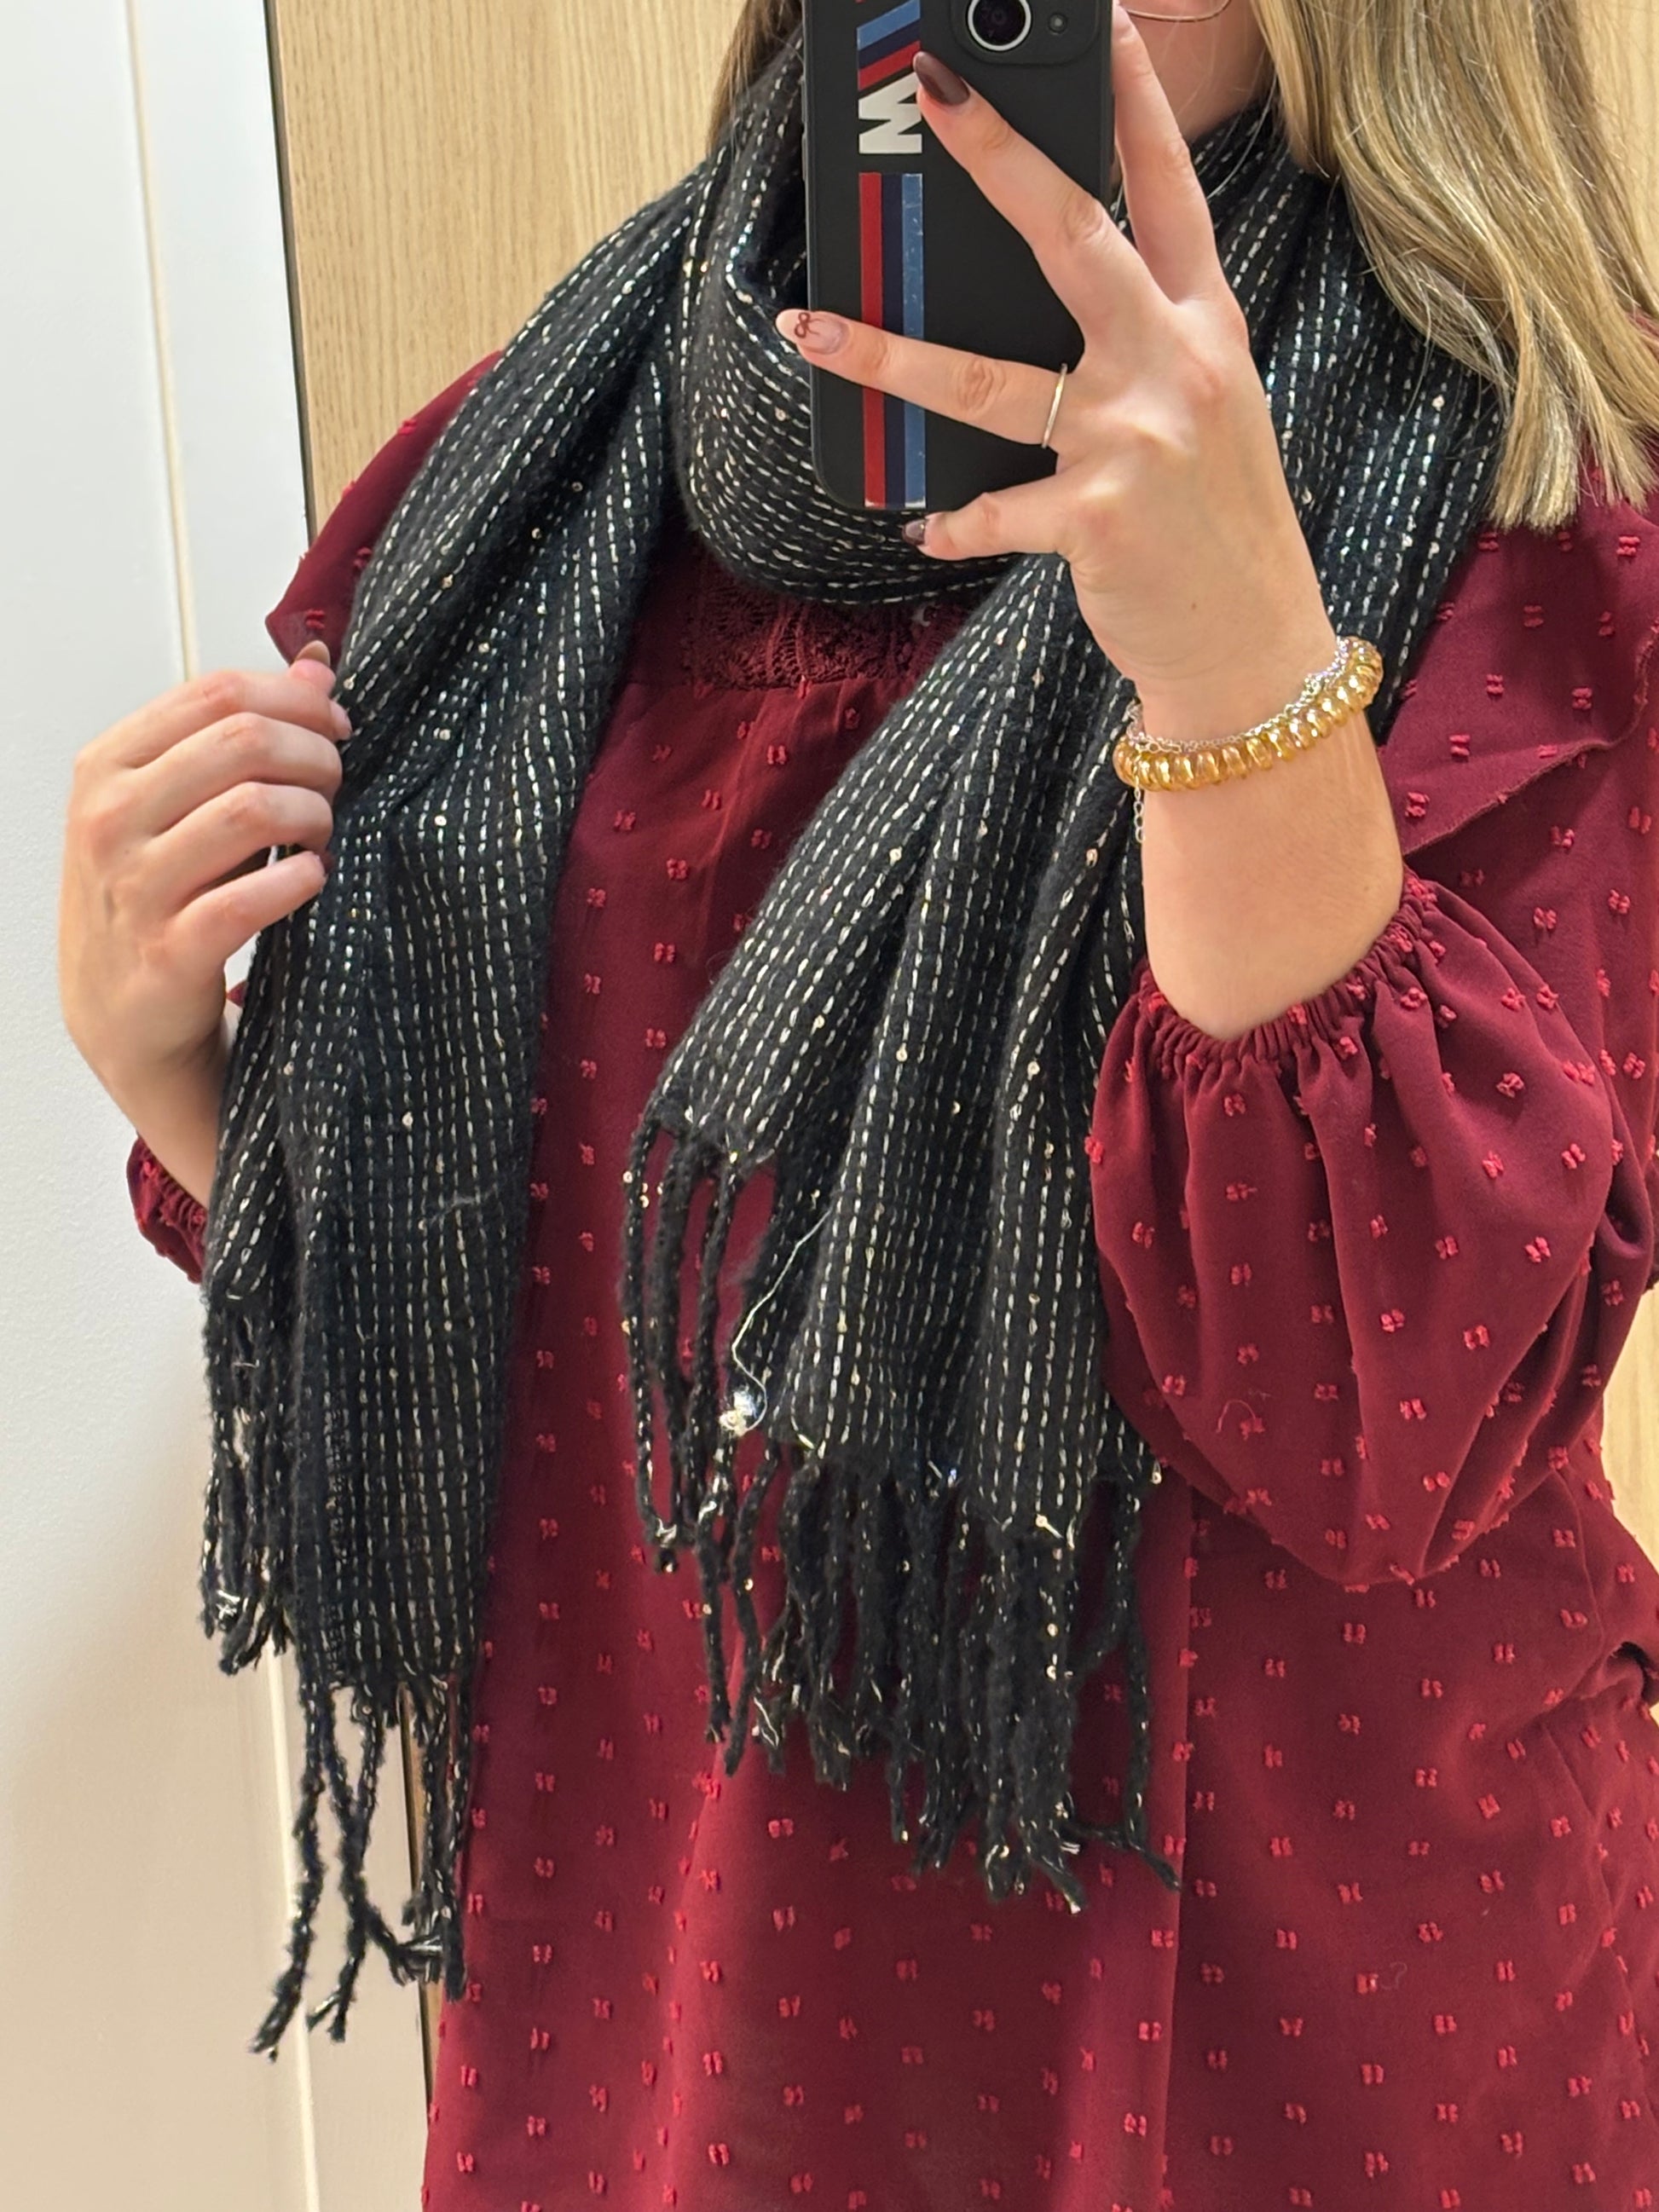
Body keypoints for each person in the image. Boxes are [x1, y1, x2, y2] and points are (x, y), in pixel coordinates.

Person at [56, 1, 1659, 2205]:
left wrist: (1236, 670)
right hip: (680, 1991)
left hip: (1288, 2029)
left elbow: (1381, 1419)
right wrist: (189, 1075)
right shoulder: (538, 487)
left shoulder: (1534, 514)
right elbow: (566, 1322)